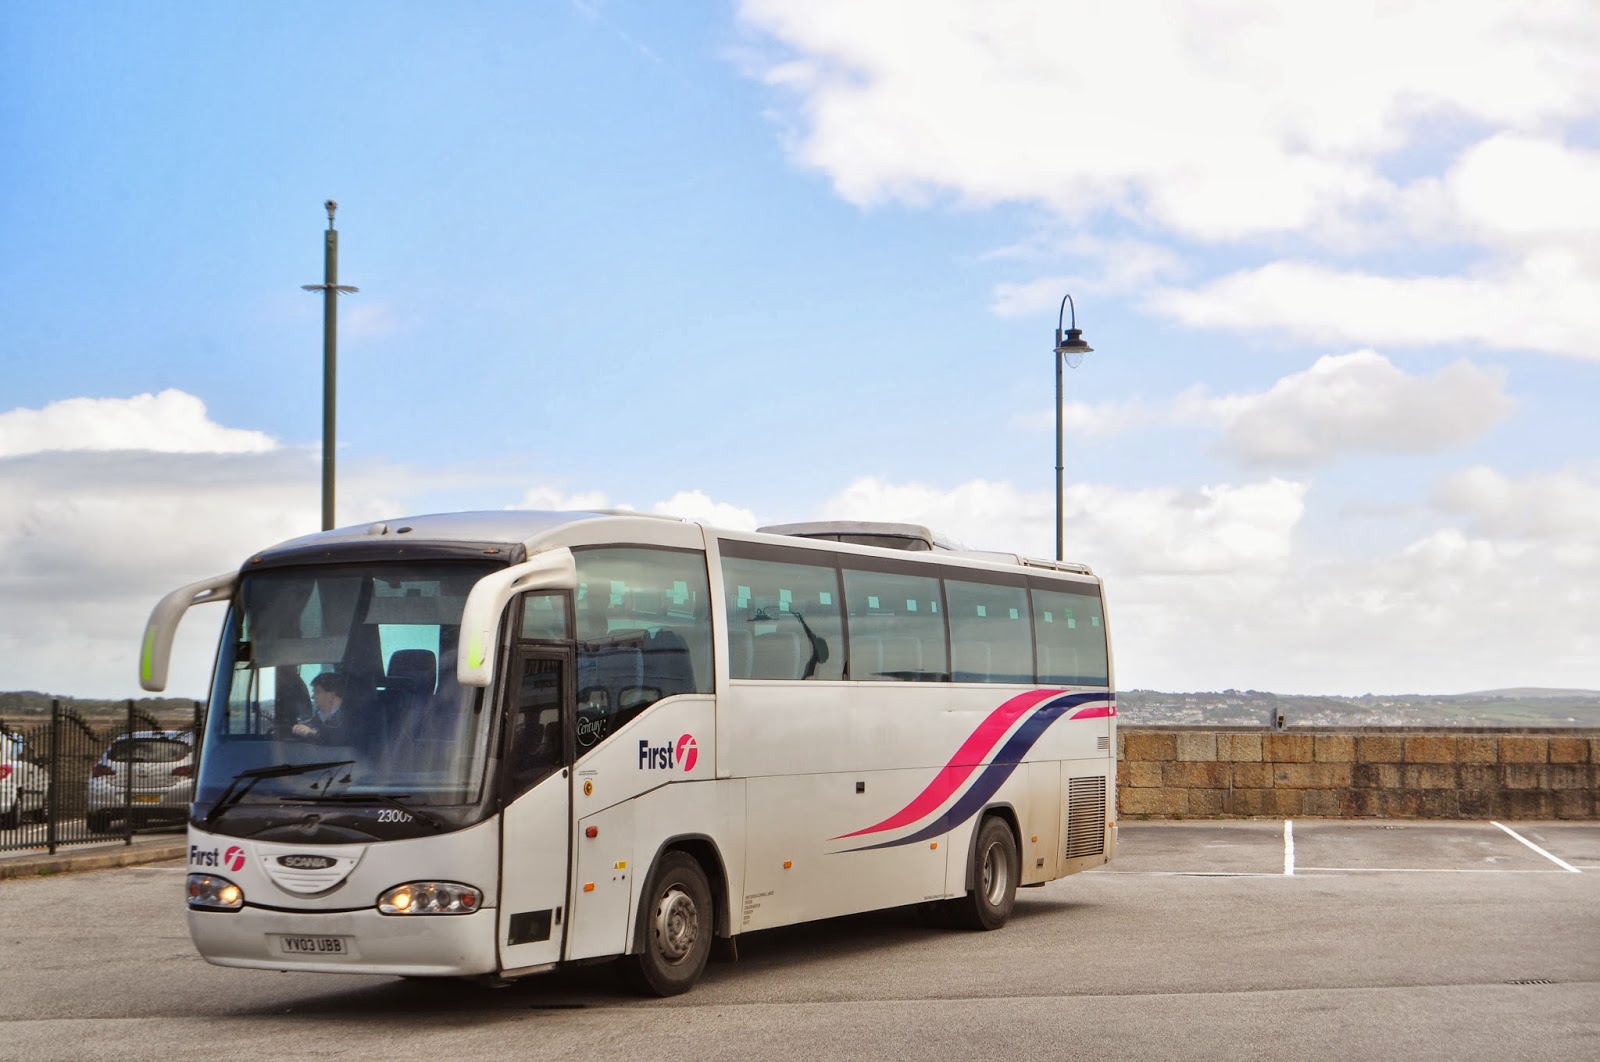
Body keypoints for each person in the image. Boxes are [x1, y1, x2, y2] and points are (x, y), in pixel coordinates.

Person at [293, 672, 359, 745]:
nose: (312, 697)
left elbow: (337, 738)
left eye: (317, 692)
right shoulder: (318, 718)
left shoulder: (352, 718)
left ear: (332, 694)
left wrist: (313, 733)